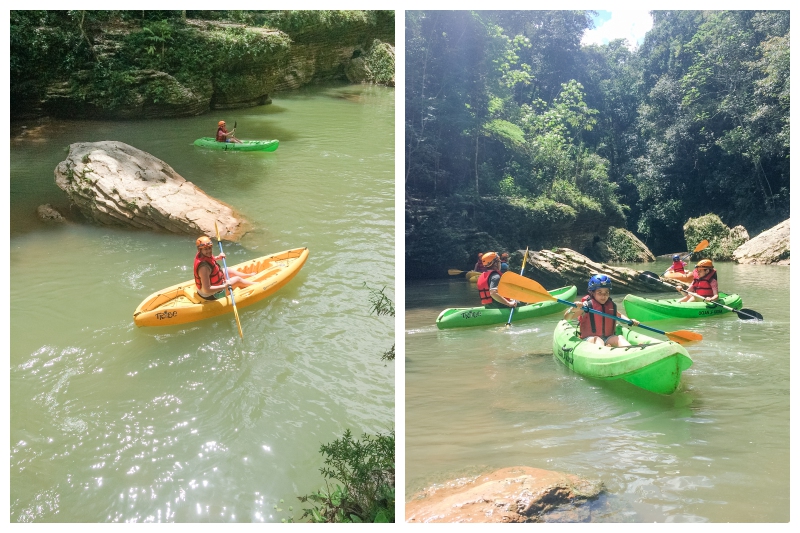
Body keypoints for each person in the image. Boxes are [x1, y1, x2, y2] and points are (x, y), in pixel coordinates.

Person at [564, 274, 639, 347]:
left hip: (607, 338)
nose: (603, 296)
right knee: (598, 340)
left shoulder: (610, 306)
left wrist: (630, 321)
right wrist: (573, 309)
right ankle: (605, 351)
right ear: (592, 292)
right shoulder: (586, 306)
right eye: (599, 293)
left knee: (620, 338)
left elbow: (619, 316)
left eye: (606, 292)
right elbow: (567, 318)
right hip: (590, 339)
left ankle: (631, 351)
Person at [194, 236, 255, 301]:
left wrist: (218, 257)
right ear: (200, 250)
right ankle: (257, 285)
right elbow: (207, 289)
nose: (208, 251)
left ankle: (247, 276)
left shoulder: (202, 255)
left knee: (228, 270)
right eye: (205, 249)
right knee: (237, 280)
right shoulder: (204, 268)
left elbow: (210, 261)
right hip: (211, 295)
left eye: (209, 248)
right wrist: (225, 286)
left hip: (212, 286)